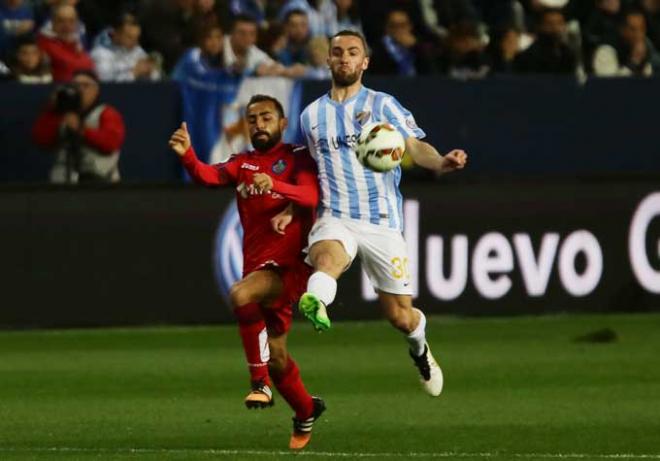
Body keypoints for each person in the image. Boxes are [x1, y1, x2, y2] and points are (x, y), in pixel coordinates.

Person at [292, 30, 467, 397]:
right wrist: (290, 206)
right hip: (335, 215)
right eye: (337, 52)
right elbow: (307, 169)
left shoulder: (384, 105)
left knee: (400, 317)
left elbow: (413, 147)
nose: (344, 58)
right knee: (327, 258)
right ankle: (317, 301)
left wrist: (440, 162)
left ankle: (420, 347)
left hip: (383, 223)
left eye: (352, 52)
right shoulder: (311, 116)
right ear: (328, 60)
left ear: (365, 62)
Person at [168, 94, 326, 450]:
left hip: (290, 267)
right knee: (278, 357)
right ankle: (305, 410)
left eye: (266, 117)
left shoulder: (298, 157)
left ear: (282, 124)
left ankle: (259, 384)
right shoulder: (243, 163)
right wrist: (189, 156)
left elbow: (311, 196)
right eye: (252, 119)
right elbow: (210, 176)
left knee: (241, 294)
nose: (258, 124)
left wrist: (278, 187)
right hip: (258, 265)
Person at [32, 70, 125, 183]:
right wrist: (53, 110)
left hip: (100, 180)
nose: (79, 90)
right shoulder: (59, 113)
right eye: (75, 86)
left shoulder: (105, 113)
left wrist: (81, 130)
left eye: (85, 86)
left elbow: (111, 143)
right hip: (62, 180)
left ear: (96, 90)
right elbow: (41, 140)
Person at [90, 13, 160, 82]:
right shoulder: (100, 53)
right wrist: (134, 73)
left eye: (137, 38)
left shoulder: (137, 50)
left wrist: (150, 71)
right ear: (116, 34)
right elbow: (106, 82)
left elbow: (156, 77)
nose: (135, 43)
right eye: (129, 37)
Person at [36, 4, 94, 82]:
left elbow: (89, 66)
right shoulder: (43, 43)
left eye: (71, 21)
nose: (67, 25)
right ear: (53, 23)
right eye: (61, 21)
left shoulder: (80, 41)